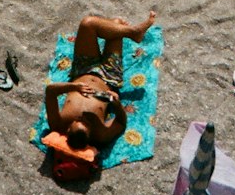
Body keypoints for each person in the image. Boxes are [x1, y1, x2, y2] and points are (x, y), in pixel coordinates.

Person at [43, 11, 156, 152]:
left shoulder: (57, 124)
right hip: (109, 77)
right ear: (90, 135)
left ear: (68, 129)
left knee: (87, 24)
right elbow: (121, 122)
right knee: (116, 25)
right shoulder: (101, 134)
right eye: (87, 124)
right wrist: (117, 104)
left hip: (83, 69)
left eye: (78, 121)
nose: (83, 118)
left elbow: (50, 91)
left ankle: (133, 32)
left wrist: (74, 86)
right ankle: (128, 31)